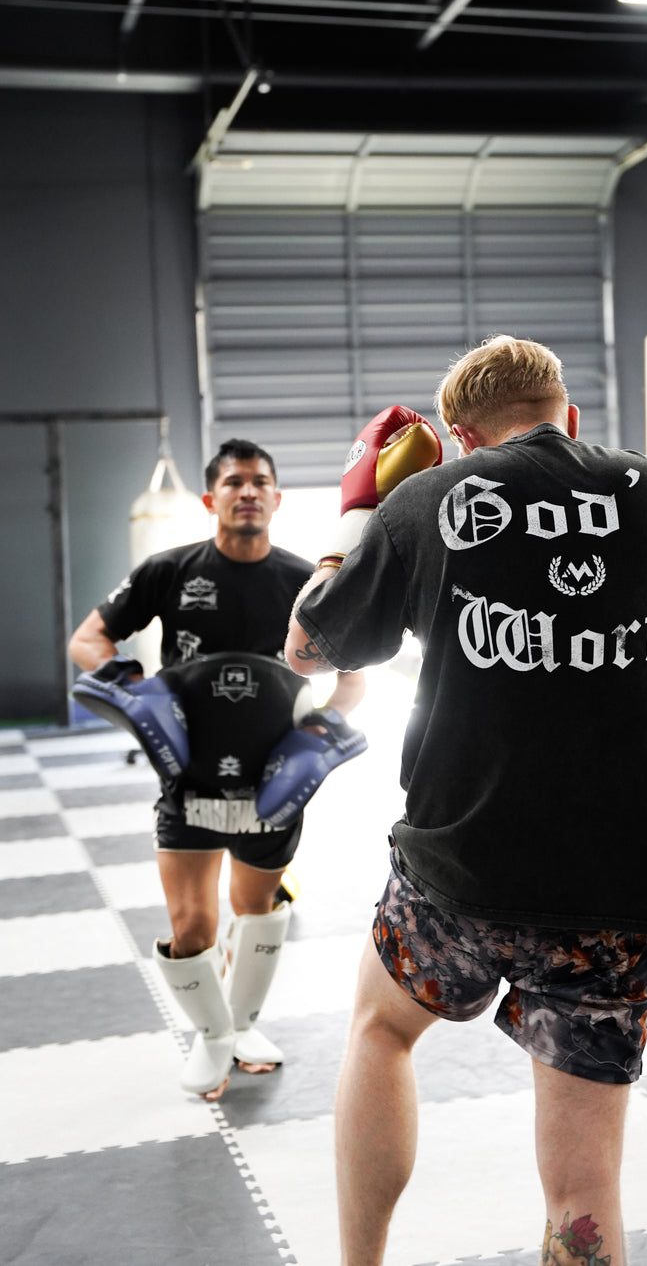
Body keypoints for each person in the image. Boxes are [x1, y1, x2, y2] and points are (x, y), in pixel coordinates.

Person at [285, 336, 647, 1266]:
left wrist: (359, 516)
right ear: (571, 414)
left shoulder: (428, 499)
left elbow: (308, 652)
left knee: (381, 1033)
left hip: (458, 873)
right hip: (618, 888)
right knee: (586, 1191)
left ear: (460, 438)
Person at [69, 437, 366, 1100]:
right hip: (190, 772)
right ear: (211, 499)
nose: (248, 491)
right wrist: (134, 687)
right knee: (191, 926)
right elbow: (87, 639)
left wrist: (323, 732)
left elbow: (350, 679)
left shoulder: (303, 583)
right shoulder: (169, 570)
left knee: (255, 907)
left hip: (276, 777)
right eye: (234, 482)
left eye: (260, 481)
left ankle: (243, 1024)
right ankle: (212, 1037)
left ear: (277, 499)